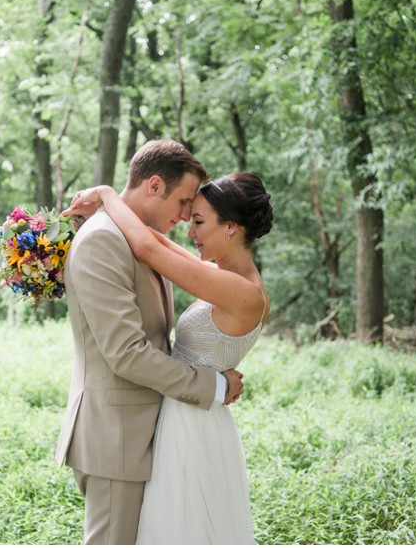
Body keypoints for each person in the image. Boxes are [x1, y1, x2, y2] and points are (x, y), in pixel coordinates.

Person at [63, 171, 273, 545]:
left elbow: (149, 249)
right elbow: (155, 241)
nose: (189, 231)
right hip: (179, 412)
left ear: (231, 228)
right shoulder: (220, 275)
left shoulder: (241, 291)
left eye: (198, 221)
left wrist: (108, 193)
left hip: (193, 419)